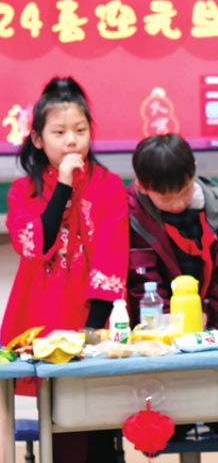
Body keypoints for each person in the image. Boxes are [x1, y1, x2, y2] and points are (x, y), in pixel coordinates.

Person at [1, 77, 129, 463]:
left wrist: (92, 333)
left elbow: (112, 261)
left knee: (96, 425)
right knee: (55, 423)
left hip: (91, 326)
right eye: (59, 132)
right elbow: (36, 246)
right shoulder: (22, 192)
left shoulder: (109, 187)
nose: (71, 140)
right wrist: (64, 186)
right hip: (39, 325)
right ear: (38, 139)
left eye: (80, 130)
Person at [127, 133, 218, 462]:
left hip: (208, 333)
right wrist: (171, 324)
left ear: (194, 170)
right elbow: (142, 285)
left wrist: (208, 313)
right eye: (166, 200)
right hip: (157, 348)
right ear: (143, 188)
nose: (178, 204)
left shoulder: (216, 205)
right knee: (158, 430)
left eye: (183, 192)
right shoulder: (131, 215)